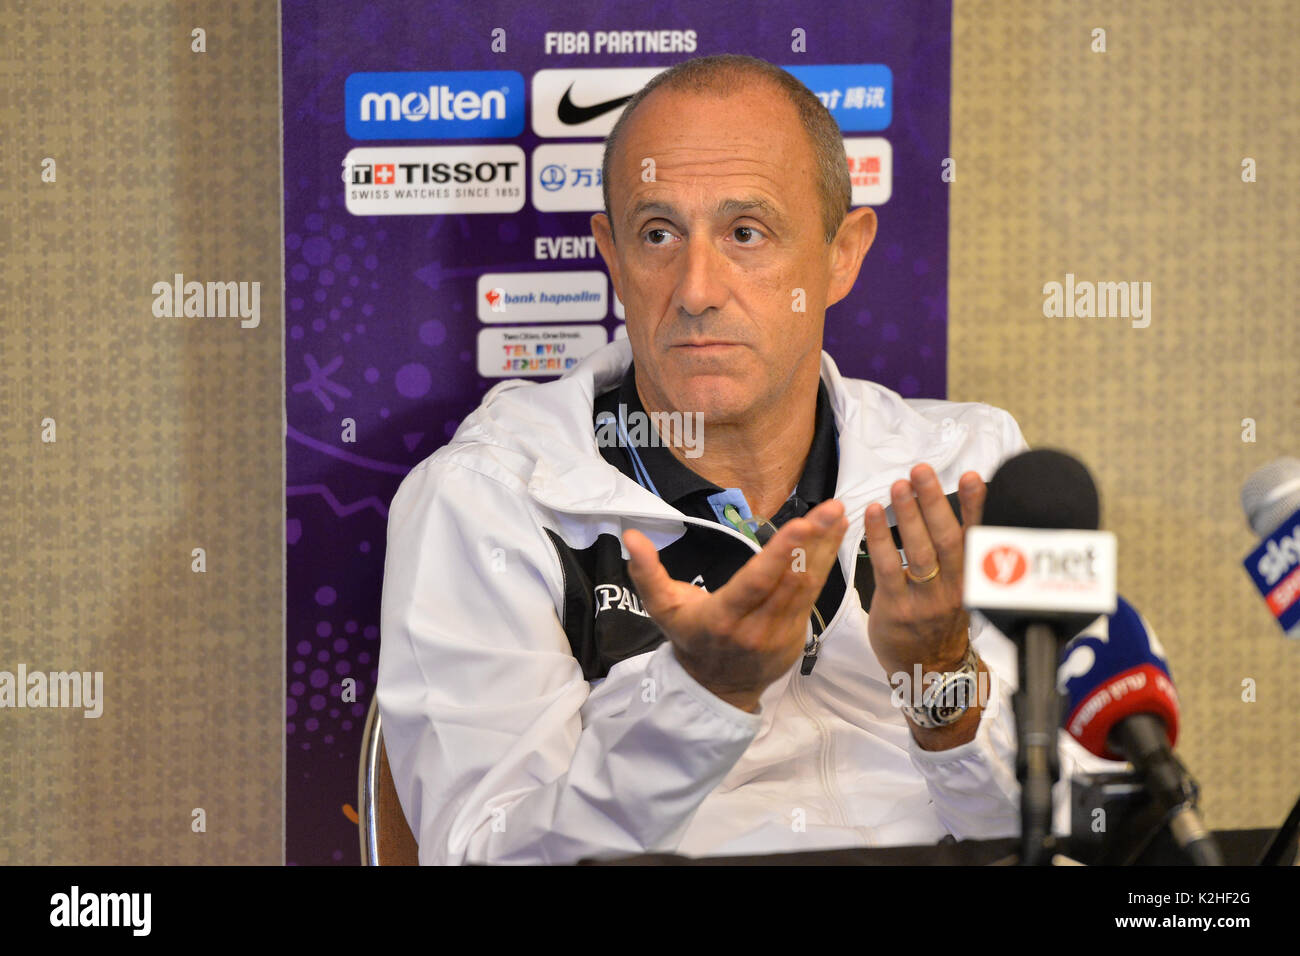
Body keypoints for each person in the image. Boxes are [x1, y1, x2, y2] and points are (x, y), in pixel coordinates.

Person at [377, 53, 1117, 865]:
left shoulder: (974, 471)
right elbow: (486, 852)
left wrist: (942, 687)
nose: (697, 287)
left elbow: (1082, 832)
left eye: (745, 233)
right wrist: (705, 697)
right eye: (658, 233)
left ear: (843, 253)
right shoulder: (487, 501)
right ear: (613, 256)